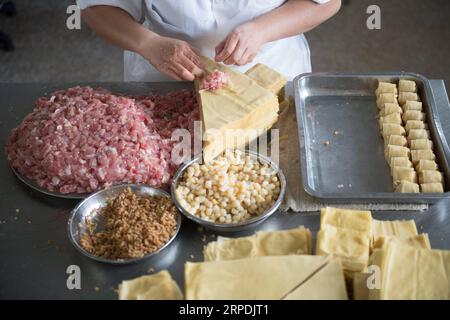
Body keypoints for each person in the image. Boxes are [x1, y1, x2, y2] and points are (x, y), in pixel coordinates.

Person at [78, 0, 341, 81]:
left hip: (270, 72)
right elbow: (98, 7)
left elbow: (325, 2)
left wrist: (262, 30)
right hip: (164, 75)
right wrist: (148, 44)